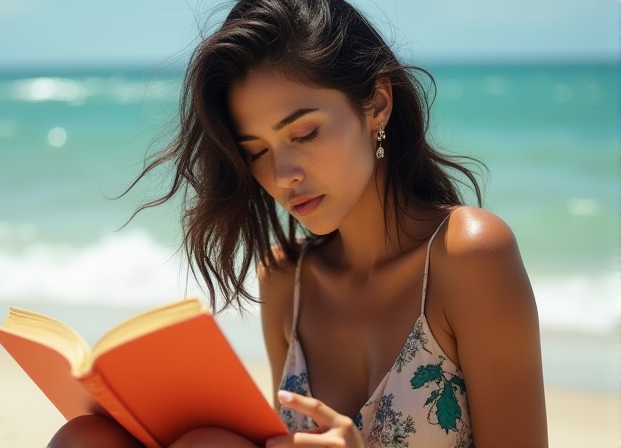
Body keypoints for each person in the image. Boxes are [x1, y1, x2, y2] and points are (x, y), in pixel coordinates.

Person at [48, 0, 548, 447]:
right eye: (258, 152)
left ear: (376, 103)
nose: (283, 175)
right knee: (89, 436)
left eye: (304, 134)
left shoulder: (468, 254)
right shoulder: (287, 279)